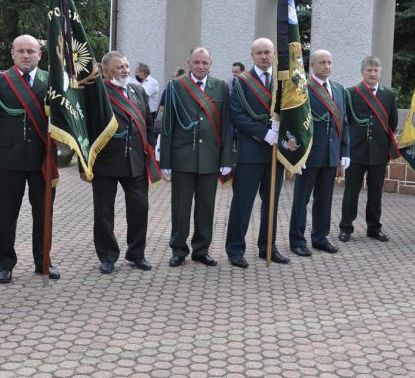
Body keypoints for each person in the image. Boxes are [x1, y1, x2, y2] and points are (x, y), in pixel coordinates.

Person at [0, 35, 59, 283]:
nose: (26, 55)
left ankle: (43, 261)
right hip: (8, 159)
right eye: (21, 51)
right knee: (6, 214)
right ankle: (5, 264)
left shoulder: (53, 81)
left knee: (44, 214)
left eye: (31, 51)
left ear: (39, 55)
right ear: (12, 53)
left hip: (42, 160)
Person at [84, 51, 156, 274]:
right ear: (106, 71)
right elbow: (86, 129)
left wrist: (149, 152)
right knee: (104, 212)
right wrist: (83, 164)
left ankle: (136, 253)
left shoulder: (138, 91)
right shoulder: (97, 93)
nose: (125, 70)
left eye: (126, 66)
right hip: (105, 163)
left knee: (139, 209)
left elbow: (149, 124)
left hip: (135, 161)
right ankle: (107, 256)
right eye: (119, 67)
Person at [160, 47, 232, 267]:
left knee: (206, 207)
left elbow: (226, 125)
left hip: (210, 158)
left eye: (205, 63)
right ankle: (178, 250)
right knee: (180, 207)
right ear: (189, 62)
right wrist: (165, 162)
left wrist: (226, 160)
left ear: (211, 64)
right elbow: (167, 125)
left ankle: (201, 250)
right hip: (182, 157)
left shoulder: (220, 87)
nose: (201, 67)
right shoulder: (176, 86)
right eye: (197, 62)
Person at [225, 37, 290, 268]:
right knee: (243, 203)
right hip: (251, 152)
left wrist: (283, 133)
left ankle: (268, 247)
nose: (264, 56)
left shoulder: (283, 81)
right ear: (251, 56)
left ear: (273, 54)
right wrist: (264, 134)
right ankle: (235, 249)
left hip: (276, 154)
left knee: (271, 203)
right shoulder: (241, 82)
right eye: (259, 53)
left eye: (267, 52)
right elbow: (236, 115)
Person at [289, 50, 350, 257]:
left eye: (330, 62)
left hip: (331, 154)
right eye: (322, 62)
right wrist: (297, 153)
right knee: (301, 199)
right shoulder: (303, 88)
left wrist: (345, 151)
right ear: (312, 65)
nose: (327, 66)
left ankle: (320, 237)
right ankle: (297, 240)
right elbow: (295, 122)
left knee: (324, 199)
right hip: (309, 154)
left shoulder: (340, 90)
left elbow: (344, 123)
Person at [338, 55, 399, 243]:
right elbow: (344, 121)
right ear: (362, 72)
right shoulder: (351, 93)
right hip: (356, 151)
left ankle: (374, 228)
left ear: (380, 72)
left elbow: (393, 122)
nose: (372, 74)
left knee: (375, 193)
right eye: (369, 70)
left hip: (379, 151)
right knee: (351, 192)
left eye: (376, 70)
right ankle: (346, 228)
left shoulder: (388, 95)